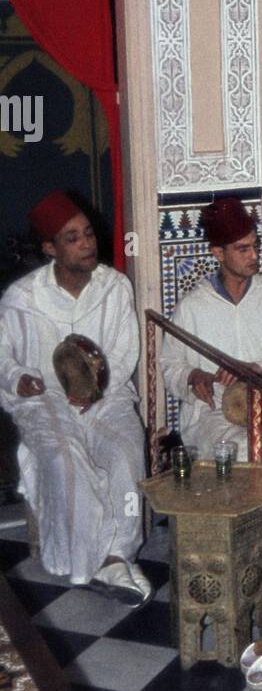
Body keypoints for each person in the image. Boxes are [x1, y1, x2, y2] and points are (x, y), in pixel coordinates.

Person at [0, 192, 150, 604]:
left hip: (107, 396)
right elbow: (3, 356)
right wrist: (18, 378)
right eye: (72, 238)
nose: (87, 244)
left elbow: (124, 353)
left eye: (88, 234)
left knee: (125, 452)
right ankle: (92, 562)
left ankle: (120, 552)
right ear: (50, 248)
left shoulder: (115, 287)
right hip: (45, 398)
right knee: (66, 457)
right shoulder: (22, 297)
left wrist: (94, 389)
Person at [160, 197, 262, 475]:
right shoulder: (192, 306)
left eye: (255, 246)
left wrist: (256, 369)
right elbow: (170, 364)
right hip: (214, 410)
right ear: (218, 253)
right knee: (237, 448)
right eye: (242, 249)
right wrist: (193, 377)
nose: (253, 256)